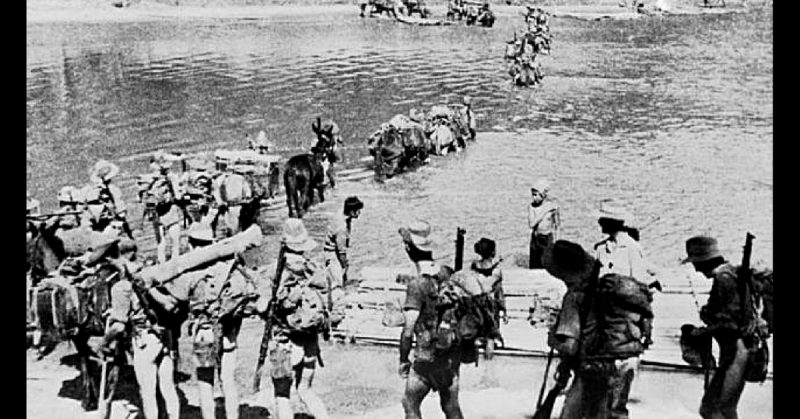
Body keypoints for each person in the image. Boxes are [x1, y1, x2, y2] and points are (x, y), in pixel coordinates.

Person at [682, 236, 772, 419]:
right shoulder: (733, 273)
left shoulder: (723, 279)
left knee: (714, 409)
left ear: (703, 261)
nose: (696, 269)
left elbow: (730, 323)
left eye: (695, 263)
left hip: (736, 353)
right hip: (741, 350)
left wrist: (700, 332)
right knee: (723, 408)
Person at [95, 235, 180, 419]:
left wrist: (103, 342)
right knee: (168, 387)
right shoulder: (155, 274)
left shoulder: (121, 287)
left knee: (147, 393)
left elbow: (118, 327)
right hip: (166, 335)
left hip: (144, 340)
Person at [397, 219, 463, 419]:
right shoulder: (446, 273)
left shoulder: (417, 285)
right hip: (450, 353)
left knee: (410, 403)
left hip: (427, 356)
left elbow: (408, 329)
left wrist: (403, 359)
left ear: (408, 248)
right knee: (450, 405)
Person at [592, 202, 653, 419]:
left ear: (612, 222)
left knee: (617, 399)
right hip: (602, 328)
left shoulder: (632, 249)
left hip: (625, 329)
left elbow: (642, 292)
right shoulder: (600, 249)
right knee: (599, 396)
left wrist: (646, 328)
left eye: (602, 219)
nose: (599, 222)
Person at [268, 218, 331, 419]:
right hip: (310, 341)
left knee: (283, 396)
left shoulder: (277, 271)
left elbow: (266, 305)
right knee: (306, 390)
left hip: (285, 341)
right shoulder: (313, 268)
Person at [143, 151, 185, 263]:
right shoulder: (171, 177)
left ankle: (161, 263)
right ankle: (175, 262)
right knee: (175, 241)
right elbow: (178, 197)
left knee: (160, 242)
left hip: (155, 212)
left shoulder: (148, 179)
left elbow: (140, 198)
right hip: (169, 210)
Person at [469, 237, 507, 359]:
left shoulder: (474, 267)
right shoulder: (497, 272)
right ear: (493, 252)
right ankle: (489, 367)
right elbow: (499, 292)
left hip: (476, 302)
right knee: (491, 337)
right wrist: (504, 310)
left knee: (477, 336)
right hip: (490, 305)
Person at [323, 196, 364, 290]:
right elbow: (341, 251)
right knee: (337, 285)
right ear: (352, 212)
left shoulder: (343, 214)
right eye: (358, 210)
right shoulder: (341, 227)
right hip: (332, 254)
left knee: (342, 278)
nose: (359, 213)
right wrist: (344, 265)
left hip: (334, 250)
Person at [528, 179, 560, 269]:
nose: (533, 198)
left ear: (542, 195)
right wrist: (544, 210)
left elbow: (557, 226)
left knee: (547, 265)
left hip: (547, 238)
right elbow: (531, 224)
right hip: (536, 238)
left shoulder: (553, 207)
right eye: (532, 195)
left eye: (535, 195)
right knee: (534, 265)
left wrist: (557, 241)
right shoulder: (532, 207)